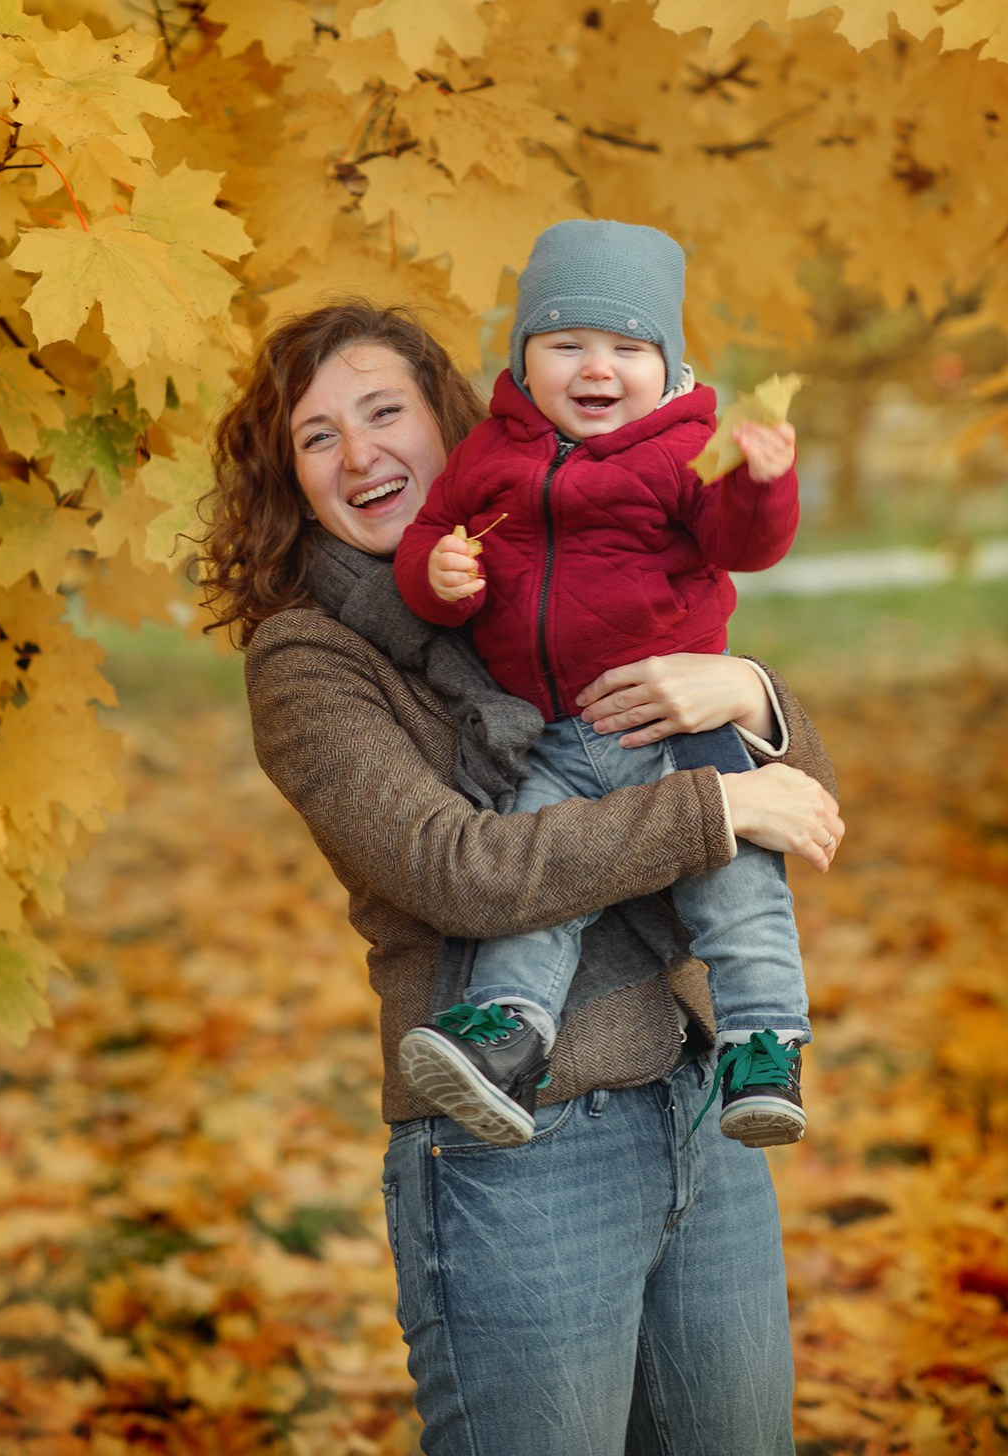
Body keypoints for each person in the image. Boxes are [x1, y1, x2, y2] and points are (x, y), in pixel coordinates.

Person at [200, 299, 844, 1456]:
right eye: (317, 437)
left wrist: (744, 693)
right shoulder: (308, 659)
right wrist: (714, 804)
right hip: (519, 1148)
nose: (359, 455)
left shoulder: (564, 574)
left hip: (701, 1106)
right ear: (290, 482)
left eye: (383, 411)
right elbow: (458, 870)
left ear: (452, 422)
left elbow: (798, 807)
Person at [394, 219, 813, 1152]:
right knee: (535, 871)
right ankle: (507, 1037)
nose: (597, 368)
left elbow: (740, 543)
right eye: (566, 344)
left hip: (671, 722)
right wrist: (439, 575)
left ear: (667, 367)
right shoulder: (489, 454)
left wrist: (759, 483)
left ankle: (763, 1041)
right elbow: (432, 533)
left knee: (733, 885)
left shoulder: (682, 452)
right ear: (523, 358)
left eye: (627, 348)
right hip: (551, 732)